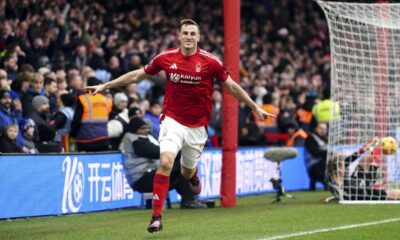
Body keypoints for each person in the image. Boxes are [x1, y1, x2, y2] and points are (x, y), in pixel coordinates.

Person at [85, 19, 276, 233]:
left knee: (186, 173)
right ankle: (156, 216)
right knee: (166, 162)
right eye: (185, 33)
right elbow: (138, 74)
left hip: (197, 127)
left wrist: (254, 107)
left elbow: (231, 86)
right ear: (179, 35)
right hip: (172, 120)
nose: (188, 37)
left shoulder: (210, 61)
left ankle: (192, 175)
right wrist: (105, 85)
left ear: (198, 37)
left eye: (192, 33)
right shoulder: (166, 58)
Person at [120, 117, 207, 209]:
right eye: (142, 128)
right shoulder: (135, 140)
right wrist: (181, 152)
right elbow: (156, 152)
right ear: (134, 129)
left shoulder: (139, 137)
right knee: (182, 165)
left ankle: (190, 199)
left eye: (146, 128)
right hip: (142, 179)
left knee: (180, 173)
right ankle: (189, 200)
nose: (145, 130)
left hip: (145, 177)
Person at [327, 138, 400, 201]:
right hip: (363, 191)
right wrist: (375, 158)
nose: (346, 168)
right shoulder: (342, 186)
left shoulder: (334, 174)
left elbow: (348, 160)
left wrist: (363, 149)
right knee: (391, 194)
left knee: (365, 160)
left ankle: (374, 154)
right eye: (343, 166)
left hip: (357, 182)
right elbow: (369, 180)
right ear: (339, 169)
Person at [70, 77, 111, 152]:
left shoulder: (83, 99)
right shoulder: (106, 99)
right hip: (103, 138)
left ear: (88, 86)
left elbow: (77, 120)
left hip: (86, 139)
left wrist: (72, 134)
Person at [304, 120, 328, 190]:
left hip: (321, 164)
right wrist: (329, 153)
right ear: (315, 129)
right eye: (321, 128)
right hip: (314, 166)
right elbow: (315, 153)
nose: (323, 131)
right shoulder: (310, 138)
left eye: (325, 129)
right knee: (327, 162)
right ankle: (327, 183)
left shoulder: (326, 139)